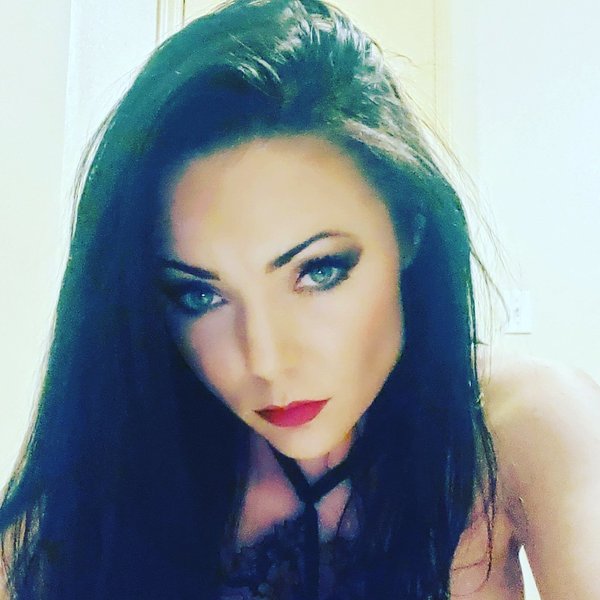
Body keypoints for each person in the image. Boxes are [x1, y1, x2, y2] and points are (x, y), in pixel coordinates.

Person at [1, 0, 599, 598]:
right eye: (200, 295)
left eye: (318, 272)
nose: (266, 360)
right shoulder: (114, 479)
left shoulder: (518, 428)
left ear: (409, 227)